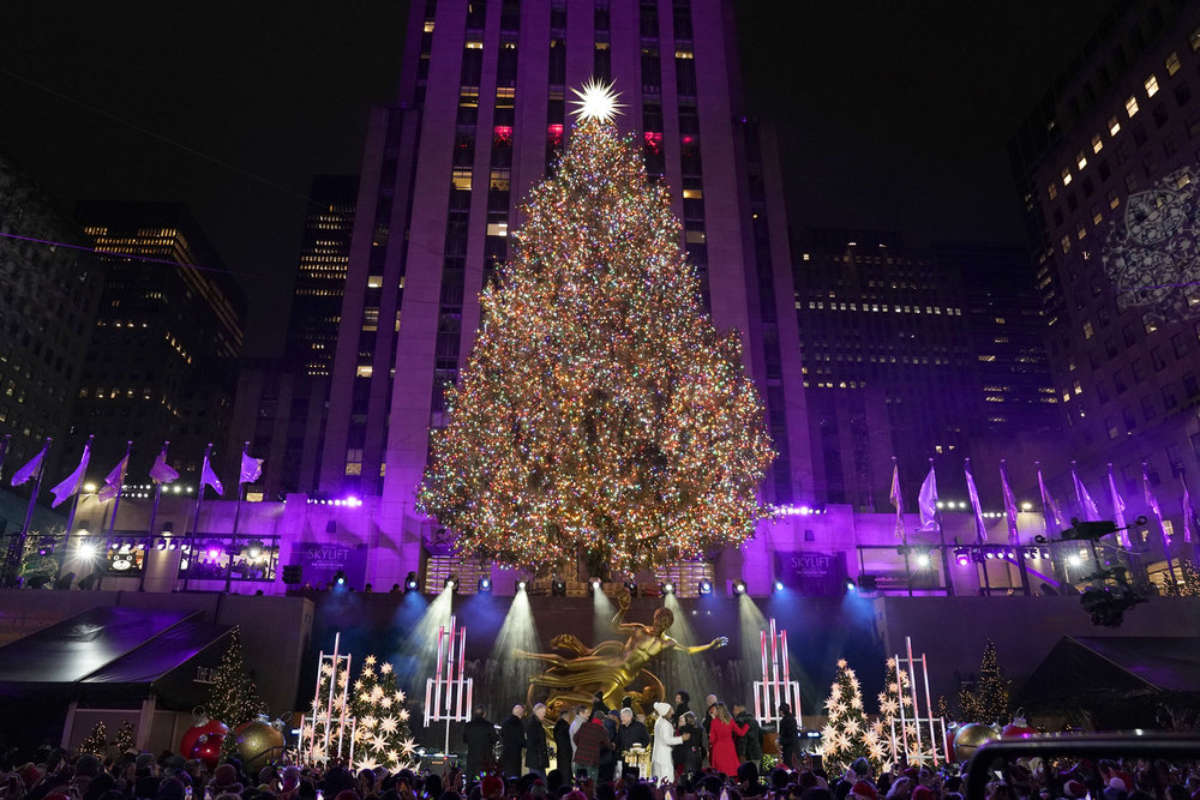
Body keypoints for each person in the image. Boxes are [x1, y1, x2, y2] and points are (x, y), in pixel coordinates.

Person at [707, 703, 749, 776]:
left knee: (720, 772)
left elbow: (711, 740)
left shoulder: (714, 722)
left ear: (717, 711)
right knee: (731, 770)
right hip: (729, 747)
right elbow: (741, 733)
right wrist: (747, 725)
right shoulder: (730, 721)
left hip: (718, 749)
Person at [572, 710, 612, 783]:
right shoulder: (602, 730)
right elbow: (608, 745)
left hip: (579, 758)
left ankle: (577, 794)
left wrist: (582, 747)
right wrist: (612, 745)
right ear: (602, 720)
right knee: (590, 785)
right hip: (591, 761)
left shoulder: (584, 725)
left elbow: (575, 738)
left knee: (578, 784)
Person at [650, 702, 687, 783]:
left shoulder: (658, 721)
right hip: (664, 756)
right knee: (666, 779)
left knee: (657, 779)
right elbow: (667, 740)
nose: (672, 713)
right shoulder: (665, 724)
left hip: (657, 755)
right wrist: (681, 739)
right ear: (665, 712)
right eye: (670, 711)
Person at [463, 708, 499, 778]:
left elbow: (465, 740)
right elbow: (495, 739)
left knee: (471, 778)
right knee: (483, 778)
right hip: (485, 759)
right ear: (484, 714)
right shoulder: (489, 726)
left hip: (472, 758)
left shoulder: (468, 725)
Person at [676, 711, 705, 780]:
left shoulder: (684, 730)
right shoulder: (699, 729)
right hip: (697, 754)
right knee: (697, 776)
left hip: (688, 756)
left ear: (687, 720)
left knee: (689, 777)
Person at [500, 704, 526, 777]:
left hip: (506, 753)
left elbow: (501, 735)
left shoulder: (505, 722)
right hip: (515, 755)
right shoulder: (519, 723)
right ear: (520, 713)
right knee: (515, 777)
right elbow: (521, 740)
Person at [525, 704, 551, 778]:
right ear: (538, 711)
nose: (545, 714)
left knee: (541, 783)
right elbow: (532, 743)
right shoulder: (533, 724)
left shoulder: (537, 724)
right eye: (543, 712)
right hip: (536, 760)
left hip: (538, 760)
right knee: (538, 783)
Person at [554, 707, 577, 782]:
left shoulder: (558, 726)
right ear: (566, 716)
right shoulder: (565, 726)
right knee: (566, 776)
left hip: (561, 754)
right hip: (565, 755)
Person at [777, 702, 799, 770]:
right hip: (795, 748)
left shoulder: (784, 721)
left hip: (788, 750)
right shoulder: (793, 719)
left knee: (788, 768)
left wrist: (779, 741)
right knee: (795, 768)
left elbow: (783, 735)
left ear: (781, 711)